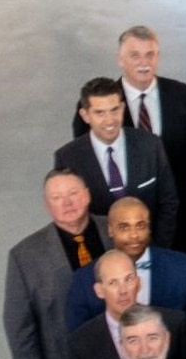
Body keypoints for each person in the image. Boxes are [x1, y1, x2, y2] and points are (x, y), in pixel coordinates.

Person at [70, 25, 186, 253]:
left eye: (150, 54)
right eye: (134, 55)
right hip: (118, 229)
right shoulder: (98, 106)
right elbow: (87, 166)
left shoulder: (184, 96)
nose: (144, 62)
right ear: (120, 59)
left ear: (158, 57)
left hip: (181, 221)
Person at [2, 169, 109, 359]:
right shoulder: (25, 255)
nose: (67, 203)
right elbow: (17, 320)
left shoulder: (116, 229)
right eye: (57, 197)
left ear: (87, 195)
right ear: (47, 204)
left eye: (73, 194)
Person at [66, 194, 186, 352]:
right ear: (110, 230)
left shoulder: (182, 267)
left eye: (140, 226)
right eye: (124, 227)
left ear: (149, 227)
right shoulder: (84, 278)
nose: (134, 235)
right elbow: (81, 341)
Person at [54, 77, 177, 244]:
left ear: (123, 108)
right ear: (85, 115)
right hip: (99, 257)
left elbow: (168, 202)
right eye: (100, 113)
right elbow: (71, 215)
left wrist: (157, 249)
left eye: (114, 110)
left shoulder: (150, 145)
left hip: (150, 248)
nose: (110, 120)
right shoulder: (68, 158)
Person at [67, 251, 186, 359]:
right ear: (99, 291)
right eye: (113, 283)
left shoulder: (174, 324)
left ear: (138, 283)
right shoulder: (80, 344)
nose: (123, 291)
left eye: (128, 279)